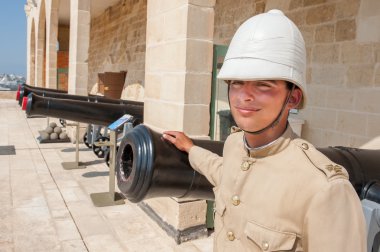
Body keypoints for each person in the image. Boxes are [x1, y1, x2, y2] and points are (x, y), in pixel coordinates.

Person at [163, 9, 366, 252]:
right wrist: (191, 148)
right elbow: (222, 171)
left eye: (263, 84)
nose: (244, 96)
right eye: (236, 82)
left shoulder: (325, 189)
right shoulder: (235, 144)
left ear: (293, 98)